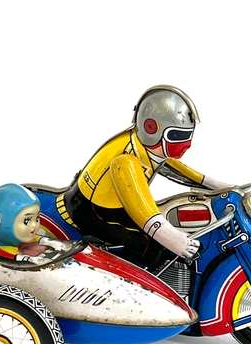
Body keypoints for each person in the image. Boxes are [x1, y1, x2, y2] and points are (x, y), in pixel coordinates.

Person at [60, 85, 232, 267]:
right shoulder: (126, 159)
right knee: (150, 250)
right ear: (151, 128)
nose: (186, 143)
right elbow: (139, 205)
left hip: (112, 205)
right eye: (176, 135)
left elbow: (175, 167)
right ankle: (116, 279)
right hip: (88, 210)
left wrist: (219, 186)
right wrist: (172, 238)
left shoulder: (150, 148)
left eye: (188, 136)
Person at [0, 183, 68, 264]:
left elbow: (35, 238)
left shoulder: (25, 239)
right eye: (27, 220)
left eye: (37, 218)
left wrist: (48, 241)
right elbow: (6, 255)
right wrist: (28, 259)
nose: (34, 225)